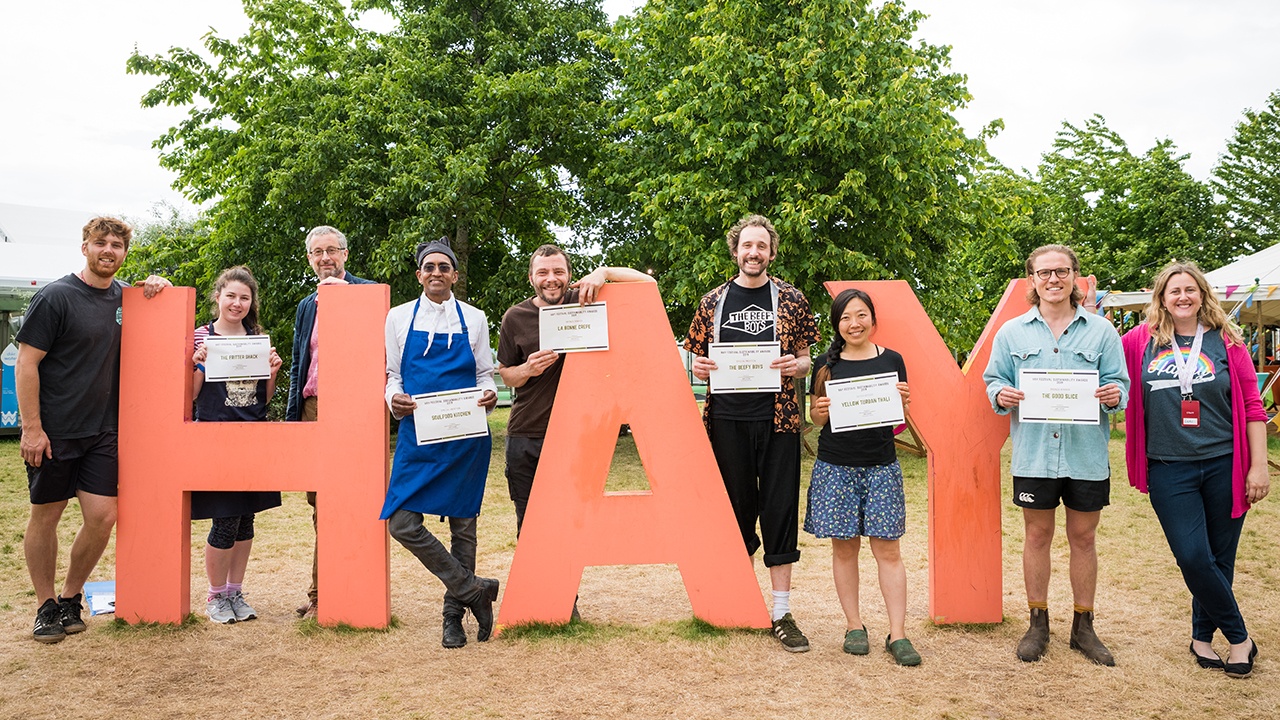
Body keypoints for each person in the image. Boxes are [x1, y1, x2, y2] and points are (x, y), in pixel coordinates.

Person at [15, 216, 170, 644]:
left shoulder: (128, 297)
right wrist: (32, 428)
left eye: (117, 245)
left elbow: (159, 318)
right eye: (101, 243)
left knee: (103, 518)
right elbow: (26, 363)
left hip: (103, 431)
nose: (108, 251)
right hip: (55, 430)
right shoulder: (56, 297)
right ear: (85, 247)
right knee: (46, 516)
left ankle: (70, 597)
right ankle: (45, 606)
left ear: (125, 253)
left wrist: (159, 286)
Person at [1121, 261, 1269, 679]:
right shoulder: (1139, 341)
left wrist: (1258, 466)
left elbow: (1253, 407)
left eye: (1190, 289)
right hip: (1169, 466)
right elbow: (1101, 363)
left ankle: (1201, 637)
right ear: (1162, 298)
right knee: (1192, 555)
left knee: (1219, 558)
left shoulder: (1228, 341)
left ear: (1202, 295)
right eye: (1174, 291)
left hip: (1225, 462)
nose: (1183, 297)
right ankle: (1240, 638)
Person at [983, 244, 1127, 666]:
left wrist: (1115, 394)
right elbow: (993, 380)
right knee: (1036, 536)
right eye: (1044, 273)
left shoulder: (1102, 332)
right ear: (1032, 279)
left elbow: (1121, 384)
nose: (1053, 279)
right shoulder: (1012, 333)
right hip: (1035, 455)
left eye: (1061, 271)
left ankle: (1084, 626)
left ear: (1074, 276)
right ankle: (1037, 623)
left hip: (1086, 455)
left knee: (1084, 537)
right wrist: (1001, 394)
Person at [685, 214, 820, 652]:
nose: (754, 252)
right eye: (747, 245)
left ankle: (781, 612)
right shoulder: (712, 301)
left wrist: (797, 365)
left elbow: (806, 358)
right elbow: (696, 360)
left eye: (761, 246)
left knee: (779, 511)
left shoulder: (792, 299)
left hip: (779, 421)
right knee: (734, 512)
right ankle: (739, 602)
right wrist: (699, 367)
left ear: (772, 252)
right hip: (727, 421)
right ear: (735, 250)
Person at [384, 238, 500, 648]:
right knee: (401, 523)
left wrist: (489, 395)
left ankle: (454, 617)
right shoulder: (398, 317)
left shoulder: (475, 318)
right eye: (429, 267)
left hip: (466, 436)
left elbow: (484, 374)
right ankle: (473, 590)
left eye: (444, 267)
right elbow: (393, 375)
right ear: (419, 274)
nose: (436, 273)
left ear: (454, 275)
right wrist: (392, 399)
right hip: (419, 434)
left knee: (463, 527)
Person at [496, 245, 655, 536]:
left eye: (558, 271)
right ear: (531, 278)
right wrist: (527, 369)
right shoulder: (515, 317)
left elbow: (648, 284)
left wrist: (604, 272)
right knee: (530, 527)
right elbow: (507, 375)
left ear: (570, 275)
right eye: (542, 272)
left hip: (579, 435)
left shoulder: (587, 300)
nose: (551, 279)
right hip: (528, 434)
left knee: (575, 526)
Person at [806, 288, 919, 666]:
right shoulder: (825, 364)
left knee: (889, 551)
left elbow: (898, 423)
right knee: (844, 549)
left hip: (881, 466)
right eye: (845, 317)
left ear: (872, 319)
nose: (853, 324)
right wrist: (820, 411)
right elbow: (815, 418)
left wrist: (902, 404)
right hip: (836, 467)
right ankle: (854, 626)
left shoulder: (893, 360)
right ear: (836, 324)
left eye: (860, 315)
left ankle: (898, 633)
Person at [286, 225, 375, 620]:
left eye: (332, 250)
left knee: (347, 501)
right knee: (319, 503)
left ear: (345, 254)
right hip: (314, 407)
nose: (325, 258)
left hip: (353, 412)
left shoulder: (368, 293)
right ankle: (324, 589)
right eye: (317, 252)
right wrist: (294, 419)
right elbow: (298, 364)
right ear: (310, 259)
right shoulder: (307, 305)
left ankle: (329, 594)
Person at [190, 266, 284, 624]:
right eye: (230, 295)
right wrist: (197, 366)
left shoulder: (257, 338)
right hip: (216, 439)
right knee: (225, 519)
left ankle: (234, 592)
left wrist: (272, 373)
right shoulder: (200, 336)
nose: (237, 303)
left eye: (244, 297)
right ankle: (215, 596)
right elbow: (190, 397)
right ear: (218, 297)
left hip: (253, 438)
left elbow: (263, 399)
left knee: (246, 520)